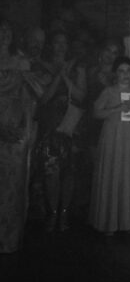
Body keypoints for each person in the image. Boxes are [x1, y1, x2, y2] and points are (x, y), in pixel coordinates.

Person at [35, 30, 87, 233]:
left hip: (71, 127)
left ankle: (64, 213)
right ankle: (52, 213)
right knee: (51, 173)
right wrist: (59, 75)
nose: (61, 46)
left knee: (69, 172)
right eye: (57, 42)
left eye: (64, 42)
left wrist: (66, 77)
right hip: (51, 127)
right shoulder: (41, 66)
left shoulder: (78, 67)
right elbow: (44, 99)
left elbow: (82, 96)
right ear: (51, 45)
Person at [89, 56, 130, 236]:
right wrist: (116, 108)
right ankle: (109, 221)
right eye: (121, 71)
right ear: (115, 74)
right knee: (112, 173)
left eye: (129, 71)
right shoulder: (108, 91)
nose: (125, 75)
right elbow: (96, 113)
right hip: (113, 137)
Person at [0, 19, 34, 253]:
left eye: (7, 31)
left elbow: (30, 99)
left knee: (12, 184)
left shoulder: (22, 61)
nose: (3, 35)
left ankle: (8, 241)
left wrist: (28, 130)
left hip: (15, 125)